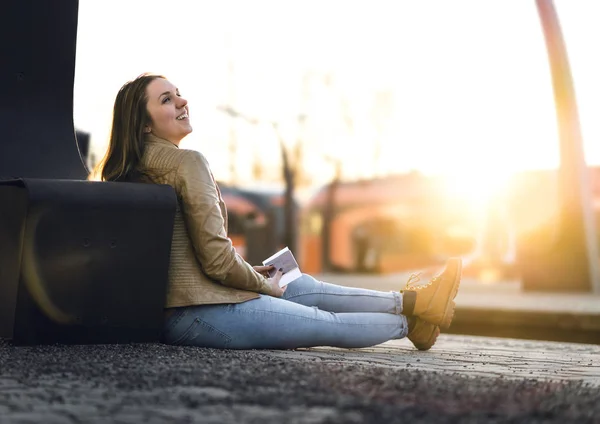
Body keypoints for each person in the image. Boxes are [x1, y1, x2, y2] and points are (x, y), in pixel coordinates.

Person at [96, 73, 462, 351]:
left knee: (298, 282)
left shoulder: (124, 171)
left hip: (188, 302)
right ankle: (413, 321)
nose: (182, 101)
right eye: (166, 99)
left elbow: (183, 256)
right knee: (323, 322)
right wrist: (261, 284)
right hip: (196, 312)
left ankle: (413, 301)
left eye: (178, 93)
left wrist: (255, 274)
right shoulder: (186, 163)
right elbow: (217, 261)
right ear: (144, 123)